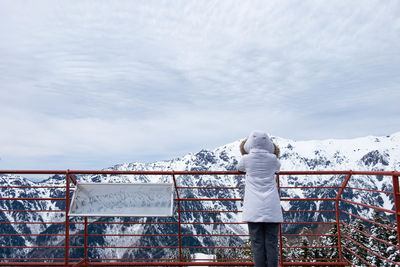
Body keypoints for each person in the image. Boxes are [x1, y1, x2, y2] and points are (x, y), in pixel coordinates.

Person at [237, 130, 283, 267]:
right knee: (272, 244)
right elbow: (278, 169)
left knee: (257, 244)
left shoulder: (246, 159)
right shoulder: (273, 159)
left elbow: (239, 168)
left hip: (253, 208)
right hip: (271, 206)